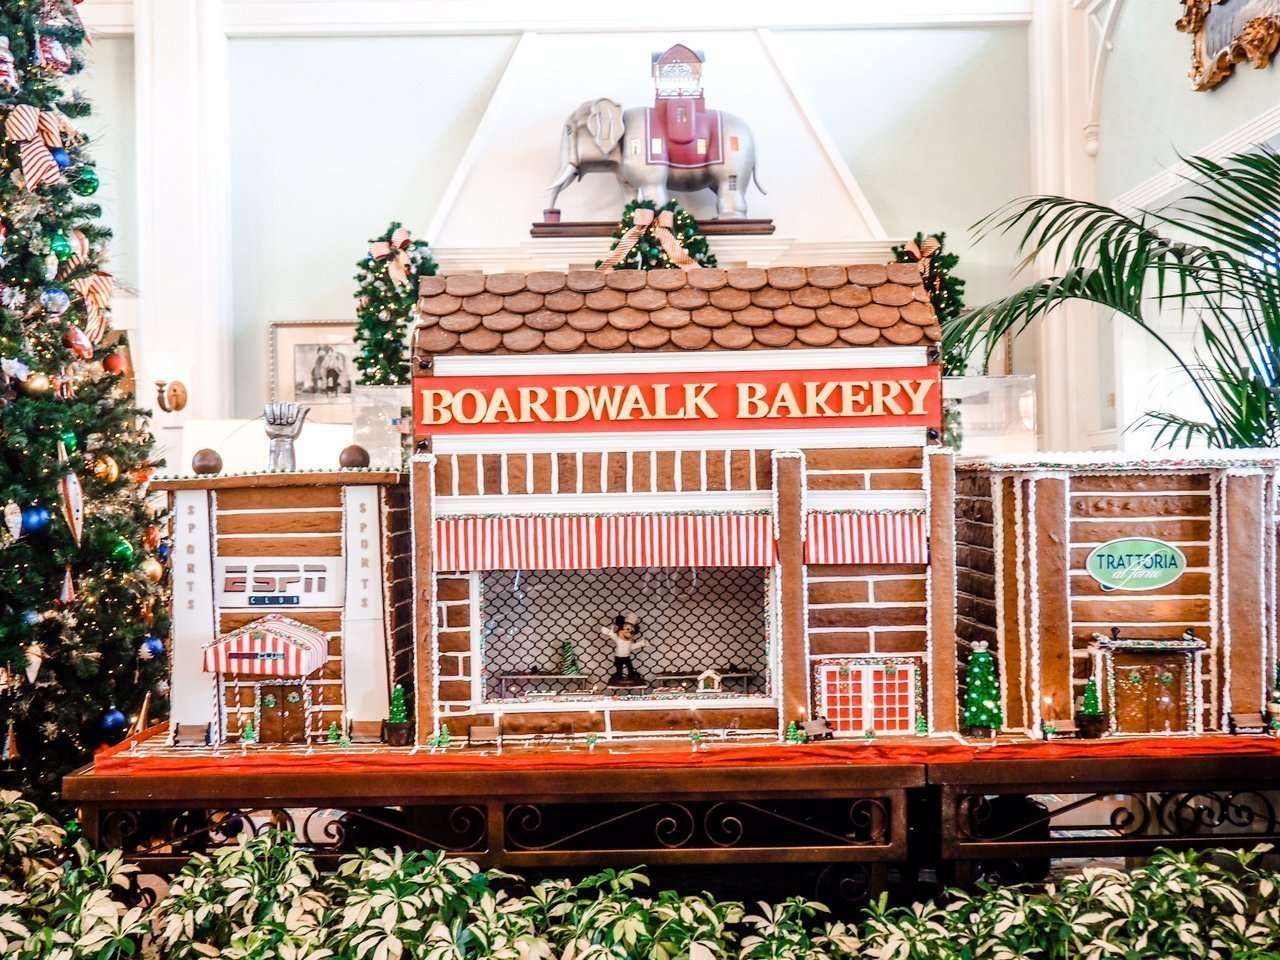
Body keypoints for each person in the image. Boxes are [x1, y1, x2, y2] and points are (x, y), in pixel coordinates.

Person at [602, 612, 646, 686]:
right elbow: (612, 635)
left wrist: (642, 643)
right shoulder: (618, 639)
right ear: (620, 630)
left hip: (627, 657)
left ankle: (631, 675)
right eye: (627, 629)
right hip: (618, 656)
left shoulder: (629, 642)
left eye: (632, 632)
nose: (628, 633)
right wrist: (608, 632)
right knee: (619, 668)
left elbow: (632, 647)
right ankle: (619, 675)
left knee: (630, 667)